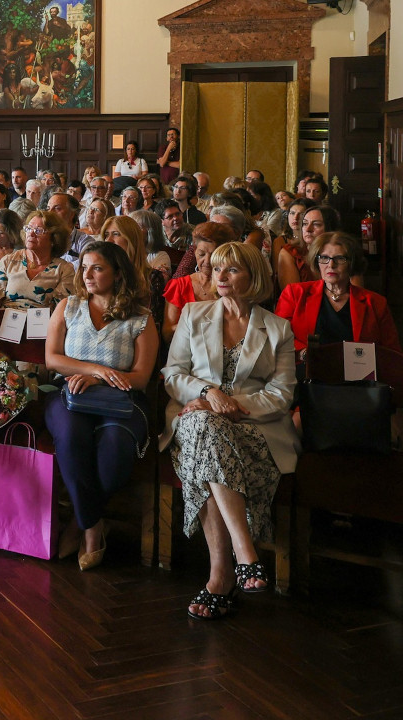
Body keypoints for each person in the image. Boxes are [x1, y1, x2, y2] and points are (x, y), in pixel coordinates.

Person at [160, 242, 299, 620]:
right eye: (217, 268)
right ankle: (245, 554)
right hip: (194, 417)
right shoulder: (193, 313)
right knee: (205, 426)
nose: (219, 276)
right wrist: (208, 393)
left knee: (208, 436)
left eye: (232, 270)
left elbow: (281, 395)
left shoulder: (278, 329)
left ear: (253, 277)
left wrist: (230, 407)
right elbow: (173, 375)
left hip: (255, 429)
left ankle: (220, 576)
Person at [45, 241, 158, 570]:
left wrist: (100, 380)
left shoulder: (140, 318)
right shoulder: (69, 305)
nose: (87, 274)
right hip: (69, 394)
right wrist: (95, 370)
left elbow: (140, 377)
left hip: (120, 401)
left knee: (114, 452)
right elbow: (52, 359)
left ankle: (80, 518)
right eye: (84, 267)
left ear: (118, 273)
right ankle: (93, 528)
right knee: (70, 437)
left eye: (97, 268)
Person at [275, 232, 400, 355]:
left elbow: (392, 353)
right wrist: (303, 353)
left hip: (357, 373)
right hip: (307, 370)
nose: (331, 265)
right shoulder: (295, 293)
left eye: (340, 258)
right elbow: (279, 335)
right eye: (324, 258)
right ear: (316, 262)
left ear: (352, 263)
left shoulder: (376, 303)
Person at [0, 210, 75, 312]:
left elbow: (62, 312)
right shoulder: (8, 261)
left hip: (43, 324)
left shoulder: (64, 269)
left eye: (38, 230)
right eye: (29, 228)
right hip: (7, 322)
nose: (31, 233)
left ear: (54, 239)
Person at [162, 221, 234, 342]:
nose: (206, 261)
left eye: (213, 255)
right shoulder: (180, 286)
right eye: (201, 254)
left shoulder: (232, 285)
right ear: (194, 252)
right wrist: (199, 325)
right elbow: (167, 334)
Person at [278, 204, 337, 292]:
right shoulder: (290, 252)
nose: (308, 229)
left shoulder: (342, 252)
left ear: (329, 228)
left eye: (316, 224)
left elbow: (354, 294)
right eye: (305, 223)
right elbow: (292, 295)